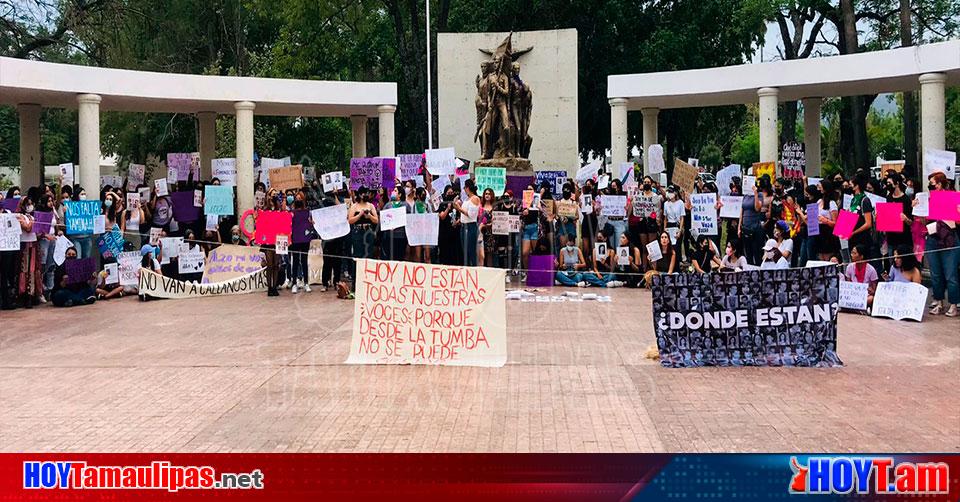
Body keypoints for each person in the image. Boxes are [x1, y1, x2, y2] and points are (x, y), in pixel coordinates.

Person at [920, 172, 959, 316]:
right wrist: (918, 210)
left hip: (949, 238)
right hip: (933, 237)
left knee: (950, 274)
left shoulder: (952, 197)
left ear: (940, 183)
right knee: (935, 273)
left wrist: (952, 213)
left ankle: (954, 304)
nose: (931, 186)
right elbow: (925, 221)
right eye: (930, 183)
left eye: (933, 183)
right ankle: (939, 302)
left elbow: (958, 220)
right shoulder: (928, 200)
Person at [629, 176, 662, 270]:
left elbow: (657, 211)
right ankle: (644, 268)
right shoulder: (639, 196)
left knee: (652, 247)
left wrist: (656, 219)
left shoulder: (655, 196)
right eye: (644, 182)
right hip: (642, 223)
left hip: (652, 223)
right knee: (644, 247)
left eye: (648, 182)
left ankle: (653, 268)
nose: (646, 183)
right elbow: (636, 209)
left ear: (651, 184)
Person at [16, 197, 43, 308]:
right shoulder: (19, 216)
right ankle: (23, 294)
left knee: (33, 270)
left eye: (31, 204)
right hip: (24, 245)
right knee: (24, 269)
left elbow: (36, 232)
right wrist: (34, 222)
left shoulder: (31, 217)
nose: (30, 206)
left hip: (33, 244)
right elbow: (27, 228)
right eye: (27, 204)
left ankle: (32, 294)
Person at [455, 179, 481, 266]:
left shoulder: (475, 198)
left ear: (467, 188)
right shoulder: (467, 199)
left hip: (470, 227)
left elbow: (471, 215)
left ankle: (474, 268)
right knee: (465, 251)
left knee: (471, 250)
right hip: (463, 226)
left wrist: (458, 207)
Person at [844, 244, 879, 309]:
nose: (852, 255)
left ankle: (856, 308)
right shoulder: (849, 267)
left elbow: (875, 291)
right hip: (853, 295)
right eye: (851, 253)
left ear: (861, 256)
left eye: (854, 253)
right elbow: (847, 285)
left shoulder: (871, 269)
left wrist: (871, 291)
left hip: (865, 296)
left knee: (871, 299)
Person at [437, 184, 463, 266]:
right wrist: (448, 208)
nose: (450, 194)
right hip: (445, 234)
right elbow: (442, 217)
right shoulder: (442, 204)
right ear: (445, 194)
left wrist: (458, 221)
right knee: (445, 255)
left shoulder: (456, 204)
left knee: (454, 255)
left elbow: (461, 216)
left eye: (452, 192)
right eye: (449, 193)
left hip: (454, 234)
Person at [479, 188, 497, 267]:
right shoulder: (480, 206)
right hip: (481, 232)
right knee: (481, 253)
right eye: (486, 194)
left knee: (490, 253)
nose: (487, 195)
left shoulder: (495, 207)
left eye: (489, 194)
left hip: (491, 233)